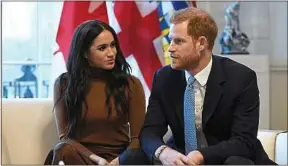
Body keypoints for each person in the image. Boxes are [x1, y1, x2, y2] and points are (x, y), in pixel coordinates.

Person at [140, 7, 276, 165]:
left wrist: (200, 155)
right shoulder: (164, 77)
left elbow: (243, 142)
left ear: (201, 43)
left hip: (228, 159)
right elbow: (150, 131)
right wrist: (163, 152)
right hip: (181, 159)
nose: (170, 48)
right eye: (170, 40)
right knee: (133, 157)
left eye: (178, 41)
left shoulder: (241, 78)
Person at [44, 20, 149, 165]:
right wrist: (96, 159)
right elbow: (65, 137)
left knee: (138, 156)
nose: (111, 53)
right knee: (62, 150)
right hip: (81, 156)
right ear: (85, 53)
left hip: (120, 158)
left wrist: (117, 162)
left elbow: (137, 138)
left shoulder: (131, 84)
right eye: (102, 48)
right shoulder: (64, 84)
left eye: (113, 45)